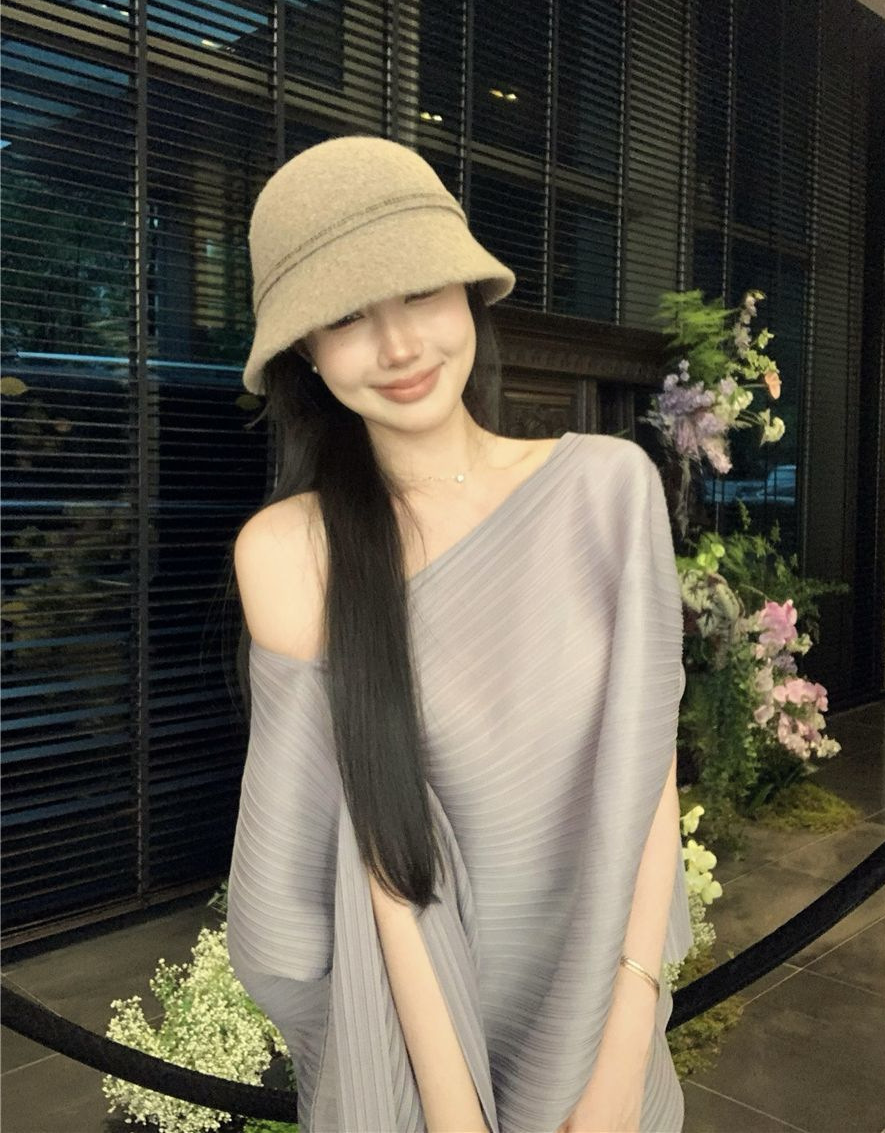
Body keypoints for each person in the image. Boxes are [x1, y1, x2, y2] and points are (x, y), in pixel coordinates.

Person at [226, 134, 693, 1133]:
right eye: (346, 315)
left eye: (421, 292)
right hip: (417, 1044)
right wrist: (451, 1108)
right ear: (305, 348)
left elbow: (645, 778)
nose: (398, 346)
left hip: (605, 1010)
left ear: (469, 294)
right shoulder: (292, 550)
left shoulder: (610, 488)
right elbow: (374, 844)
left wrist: (620, 1055)